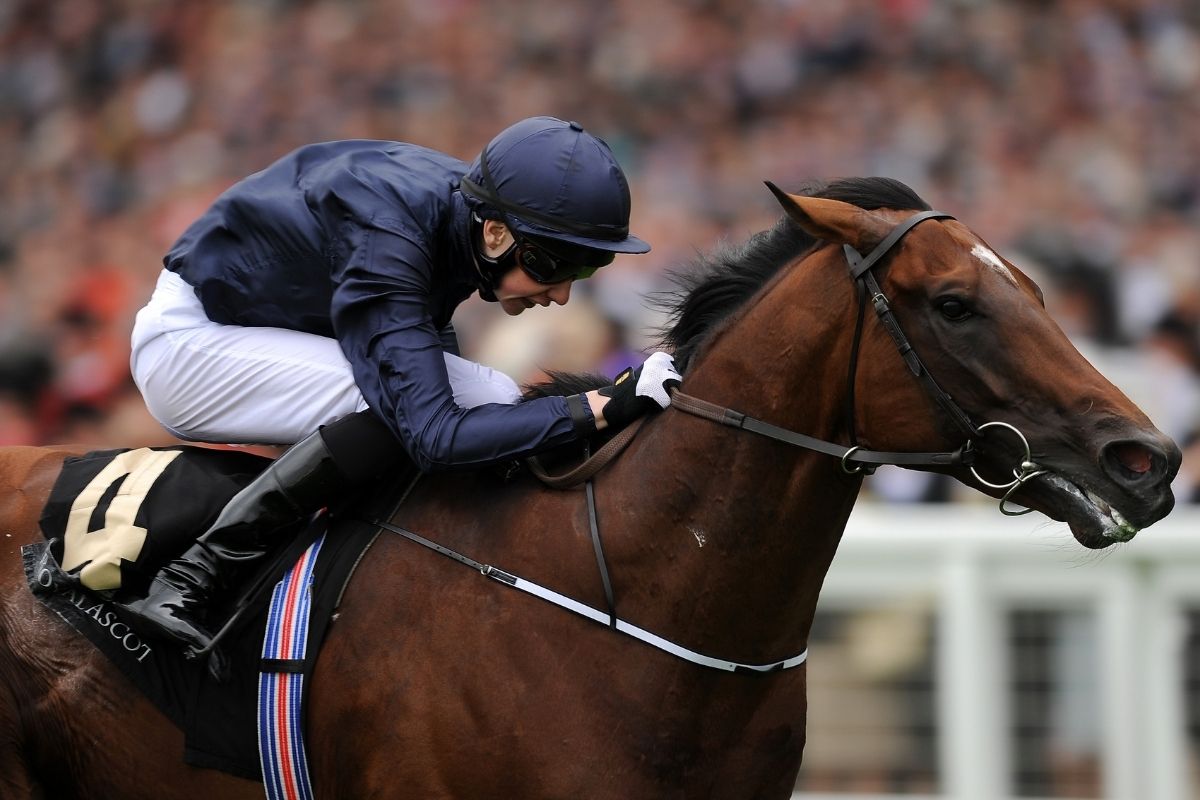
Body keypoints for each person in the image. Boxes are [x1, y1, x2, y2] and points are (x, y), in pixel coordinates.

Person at [120, 116, 681, 653]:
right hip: (192, 348)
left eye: (584, 271)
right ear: (495, 233)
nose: (561, 294)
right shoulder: (390, 232)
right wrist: (600, 407)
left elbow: (430, 341)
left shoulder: (472, 212)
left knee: (482, 402)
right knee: (463, 405)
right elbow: (433, 433)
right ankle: (193, 577)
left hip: (257, 325)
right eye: (556, 266)